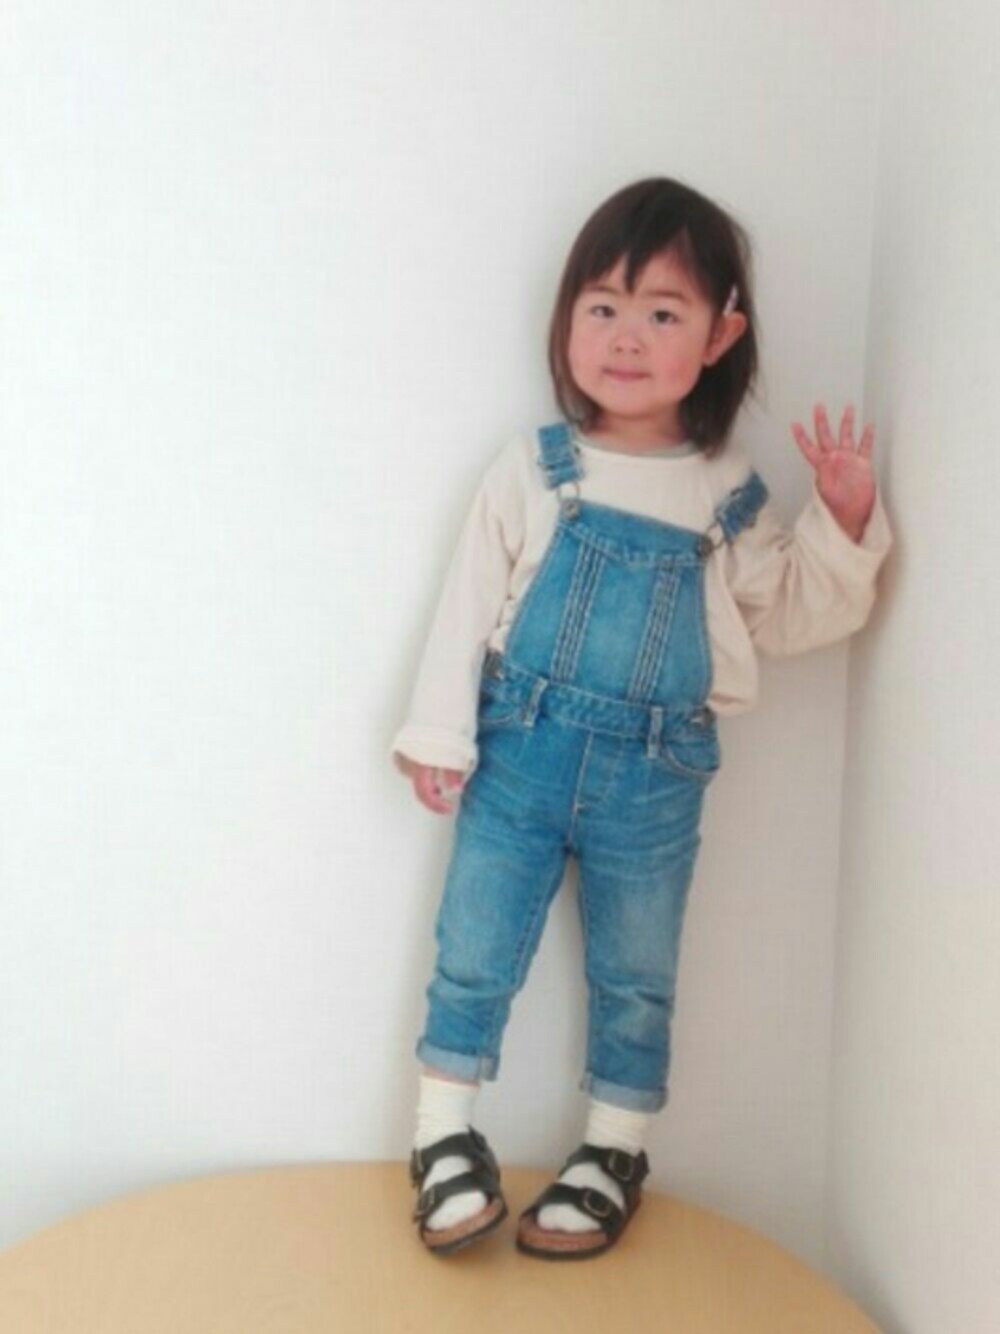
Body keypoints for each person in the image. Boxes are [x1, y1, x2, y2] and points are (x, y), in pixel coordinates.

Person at [390, 177, 893, 1259]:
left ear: (720, 337)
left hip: (654, 778)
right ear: (566, 317)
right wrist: (438, 735)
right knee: (474, 946)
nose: (626, 336)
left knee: (638, 971)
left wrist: (842, 520)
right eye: (603, 306)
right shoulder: (535, 468)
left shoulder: (725, 491)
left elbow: (787, 614)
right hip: (516, 756)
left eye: (663, 311)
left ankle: (613, 1149)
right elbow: (466, 604)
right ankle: (440, 1136)